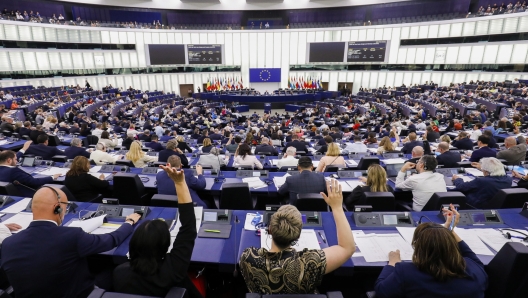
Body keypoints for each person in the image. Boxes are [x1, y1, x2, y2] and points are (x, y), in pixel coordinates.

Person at [1, 186, 141, 298]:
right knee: (115, 270)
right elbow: (111, 240)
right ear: (57, 207)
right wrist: (129, 222)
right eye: (65, 207)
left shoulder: (7, 244)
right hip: (78, 293)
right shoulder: (72, 236)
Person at [240, 179, 355, 294]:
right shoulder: (311, 262)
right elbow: (347, 248)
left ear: (270, 229)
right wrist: (337, 208)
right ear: (298, 235)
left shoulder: (248, 257)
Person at [114, 163, 200, 297]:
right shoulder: (173, 269)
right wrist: (179, 182)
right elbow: (189, 226)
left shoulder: (119, 273)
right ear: (165, 246)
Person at [375, 206, 488, 297]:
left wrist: (393, 264)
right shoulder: (475, 270)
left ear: (419, 247)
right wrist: (448, 231)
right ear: (452, 246)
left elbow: (381, 291)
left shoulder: (406, 272)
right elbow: (469, 255)